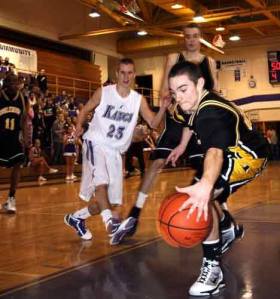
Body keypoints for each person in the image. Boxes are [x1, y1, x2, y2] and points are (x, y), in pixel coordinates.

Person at [165, 61, 268, 296]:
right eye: (174, 92)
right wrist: (181, 146)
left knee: (203, 194)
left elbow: (215, 153)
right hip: (233, 150)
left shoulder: (211, 112)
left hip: (249, 155)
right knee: (202, 191)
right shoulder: (190, 104)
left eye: (183, 89)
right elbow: (188, 122)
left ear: (200, 83)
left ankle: (213, 270)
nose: (178, 98)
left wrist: (206, 186)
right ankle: (227, 227)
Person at [125, 23, 218, 235]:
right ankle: (135, 212)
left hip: (198, 123)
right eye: (188, 37)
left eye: (195, 36)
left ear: (200, 38)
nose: (191, 40)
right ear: (183, 39)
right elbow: (163, 90)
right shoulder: (174, 58)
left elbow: (215, 92)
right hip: (177, 121)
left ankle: (223, 217)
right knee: (156, 162)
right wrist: (174, 102)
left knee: (209, 169)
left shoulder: (209, 62)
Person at [64, 58, 170, 245]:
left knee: (110, 201)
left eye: (130, 72)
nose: (126, 76)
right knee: (101, 184)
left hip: (115, 151)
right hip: (95, 142)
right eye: (123, 72)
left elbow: (154, 124)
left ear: (134, 75)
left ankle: (76, 218)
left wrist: (162, 107)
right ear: (116, 74)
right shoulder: (104, 92)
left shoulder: (138, 100)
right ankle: (111, 225)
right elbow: (85, 110)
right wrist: (79, 125)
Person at [0, 73, 28, 213]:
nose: (14, 85)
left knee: (17, 165)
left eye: (15, 82)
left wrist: (26, 137)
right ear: (6, 83)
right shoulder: (1, 96)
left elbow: (23, 119)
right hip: (1, 137)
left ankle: (11, 198)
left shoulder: (22, 98)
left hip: (14, 138)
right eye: (11, 82)